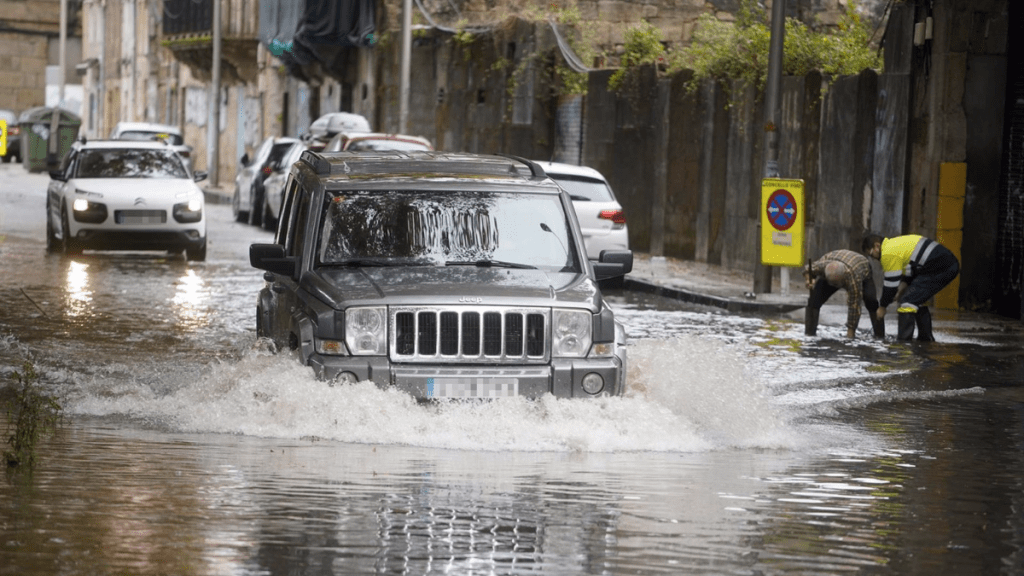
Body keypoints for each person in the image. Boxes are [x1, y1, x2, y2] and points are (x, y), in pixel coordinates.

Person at [861, 233, 960, 341]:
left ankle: (904, 343)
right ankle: (925, 339)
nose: (873, 259)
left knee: (907, 302)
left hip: (941, 267)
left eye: (871, 254)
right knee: (916, 299)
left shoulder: (888, 253)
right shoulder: (894, 245)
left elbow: (890, 285)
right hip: (942, 264)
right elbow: (910, 271)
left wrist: (883, 306)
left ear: (877, 246)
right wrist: (901, 289)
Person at [803, 249, 884, 339]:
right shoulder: (822, 265)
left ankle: (879, 335)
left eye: (836, 284)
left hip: (861, 267)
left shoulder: (854, 278)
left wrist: (850, 334)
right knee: (814, 300)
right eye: (832, 284)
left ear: (844, 278)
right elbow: (808, 269)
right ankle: (809, 333)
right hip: (836, 265)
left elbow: (854, 306)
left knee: (871, 301)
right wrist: (809, 280)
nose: (834, 286)